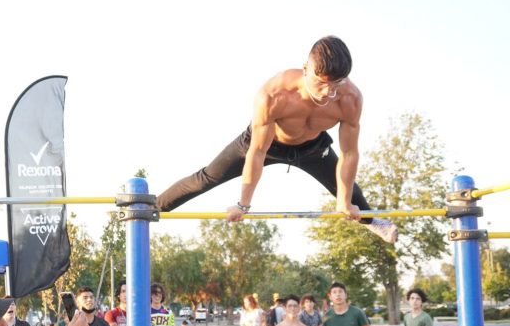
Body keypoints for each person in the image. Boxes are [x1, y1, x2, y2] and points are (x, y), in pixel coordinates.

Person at [156, 36, 398, 245]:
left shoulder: (351, 99)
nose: (328, 93)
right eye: (322, 83)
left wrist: (344, 202)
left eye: (336, 84)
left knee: (350, 194)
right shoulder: (273, 94)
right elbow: (258, 151)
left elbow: (349, 154)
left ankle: (371, 220)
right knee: (206, 178)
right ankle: (153, 208)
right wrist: (243, 205)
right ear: (306, 69)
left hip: (313, 148)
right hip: (265, 143)